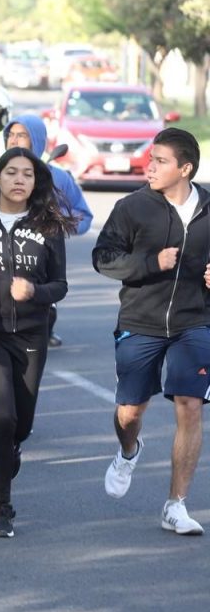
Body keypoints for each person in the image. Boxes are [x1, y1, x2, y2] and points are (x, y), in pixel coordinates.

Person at [93, 128, 209, 536]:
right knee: (130, 412)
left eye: (160, 160)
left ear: (185, 168)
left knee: (190, 405)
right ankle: (128, 450)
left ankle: (176, 505)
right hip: (140, 322)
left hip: (195, 322)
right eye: (151, 158)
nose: (150, 165)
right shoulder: (133, 208)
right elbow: (103, 257)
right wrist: (150, 262)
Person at [0, 147, 72, 538]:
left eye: (28, 174)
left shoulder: (48, 225)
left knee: (20, 424)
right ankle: (3, 506)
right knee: (1, 417)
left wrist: (35, 292)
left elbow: (61, 284)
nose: (20, 180)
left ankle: (12, 447)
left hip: (30, 332)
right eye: (12, 172)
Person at [0, 114, 93, 348]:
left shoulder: (58, 177)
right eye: (11, 135)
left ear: (36, 140)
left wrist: (53, 221)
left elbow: (84, 218)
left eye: (22, 135)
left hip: (40, 261)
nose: (14, 141)